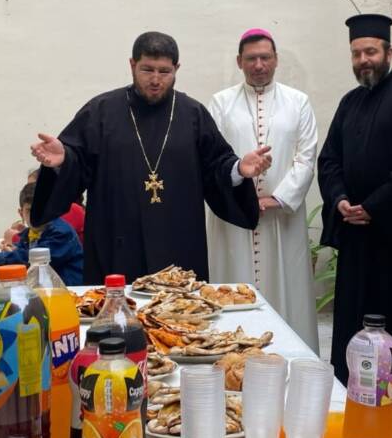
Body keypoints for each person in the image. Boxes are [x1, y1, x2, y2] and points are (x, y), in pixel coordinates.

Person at [30, 32, 271, 282]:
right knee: (117, 316)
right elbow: (78, 163)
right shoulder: (101, 111)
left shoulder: (192, 114)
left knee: (182, 318)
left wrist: (238, 169)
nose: (155, 80)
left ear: (177, 68)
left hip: (179, 242)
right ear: (132, 65)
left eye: (164, 72)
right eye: (147, 70)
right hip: (117, 243)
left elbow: (216, 166)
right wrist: (64, 161)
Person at [317, 14, 392, 418]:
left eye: (370, 51)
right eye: (356, 53)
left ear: (388, 52)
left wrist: (376, 206)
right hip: (355, 234)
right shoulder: (349, 102)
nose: (364, 59)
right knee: (352, 315)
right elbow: (329, 159)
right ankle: (352, 390)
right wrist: (339, 199)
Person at [207, 28, 319, 342]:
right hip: (234, 218)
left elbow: (306, 157)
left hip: (282, 220)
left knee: (288, 291)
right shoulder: (220, 103)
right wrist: (242, 191)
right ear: (239, 62)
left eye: (265, 58)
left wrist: (276, 199)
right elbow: (212, 157)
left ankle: (291, 355)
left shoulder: (298, 102)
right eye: (251, 58)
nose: (259, 65)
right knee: (234, 285)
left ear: (276, 60)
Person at [0, 182, 83, 284]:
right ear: (21, 214)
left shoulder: (61, 232)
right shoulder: (28, 234)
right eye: (29, 211)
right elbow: (22, 252)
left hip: (70, 293)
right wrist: (12, 249)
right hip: (46, 290)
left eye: (41, 210)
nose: (36, 216)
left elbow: (34, 259)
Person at [1, 168, 84, 250]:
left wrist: (15, 238)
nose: (29, 191)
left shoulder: (70, 209)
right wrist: (24, 233)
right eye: (28, 187)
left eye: (34, 187)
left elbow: (48, 247)